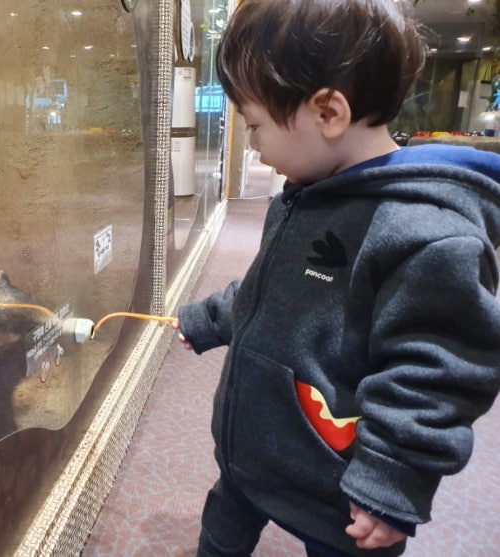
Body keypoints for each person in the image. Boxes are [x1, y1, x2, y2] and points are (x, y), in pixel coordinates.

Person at [173, 1, 500, 556]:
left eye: (254, 126)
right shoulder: (306, 194)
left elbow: (437, 374)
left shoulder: (427, 233)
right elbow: (273, 291)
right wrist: (208, 319)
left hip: (341, 487)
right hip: (253, 452)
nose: (252, 145)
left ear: (328, 112)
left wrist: (391, 482)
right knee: (222, 528)